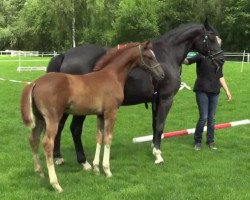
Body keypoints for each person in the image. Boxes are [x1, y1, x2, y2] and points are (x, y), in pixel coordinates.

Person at [183, 53, 232, 150]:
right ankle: (197, 141)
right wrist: (180, 53)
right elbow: (187, 61)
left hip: (215, 91)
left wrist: (227, 90)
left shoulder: (219, 59)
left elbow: (220, 76)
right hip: (202, 90)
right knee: (203, 117)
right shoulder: (201, 55)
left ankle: (211, 141)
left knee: (211, 118)